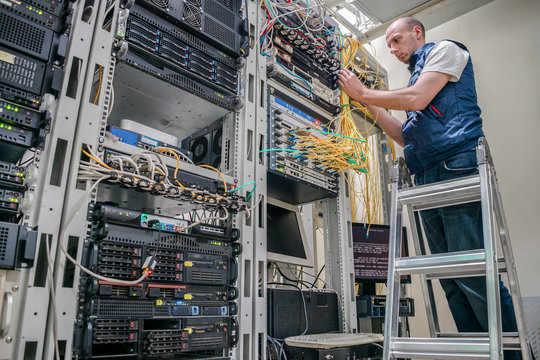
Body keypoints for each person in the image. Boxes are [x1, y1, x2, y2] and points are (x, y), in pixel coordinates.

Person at [338, 17, 521, 359]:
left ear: (417, 32)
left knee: (470, 274)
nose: (392, 49)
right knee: (450, 281)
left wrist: (364, 91)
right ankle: (480, 354)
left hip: (455, 165)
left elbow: (417, 98)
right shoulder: (416, 79)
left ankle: (510, 355)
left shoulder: (447, 51)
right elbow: (401, 134)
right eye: (389, 44)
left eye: (395, 40)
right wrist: (363, 101)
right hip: (426, 175)